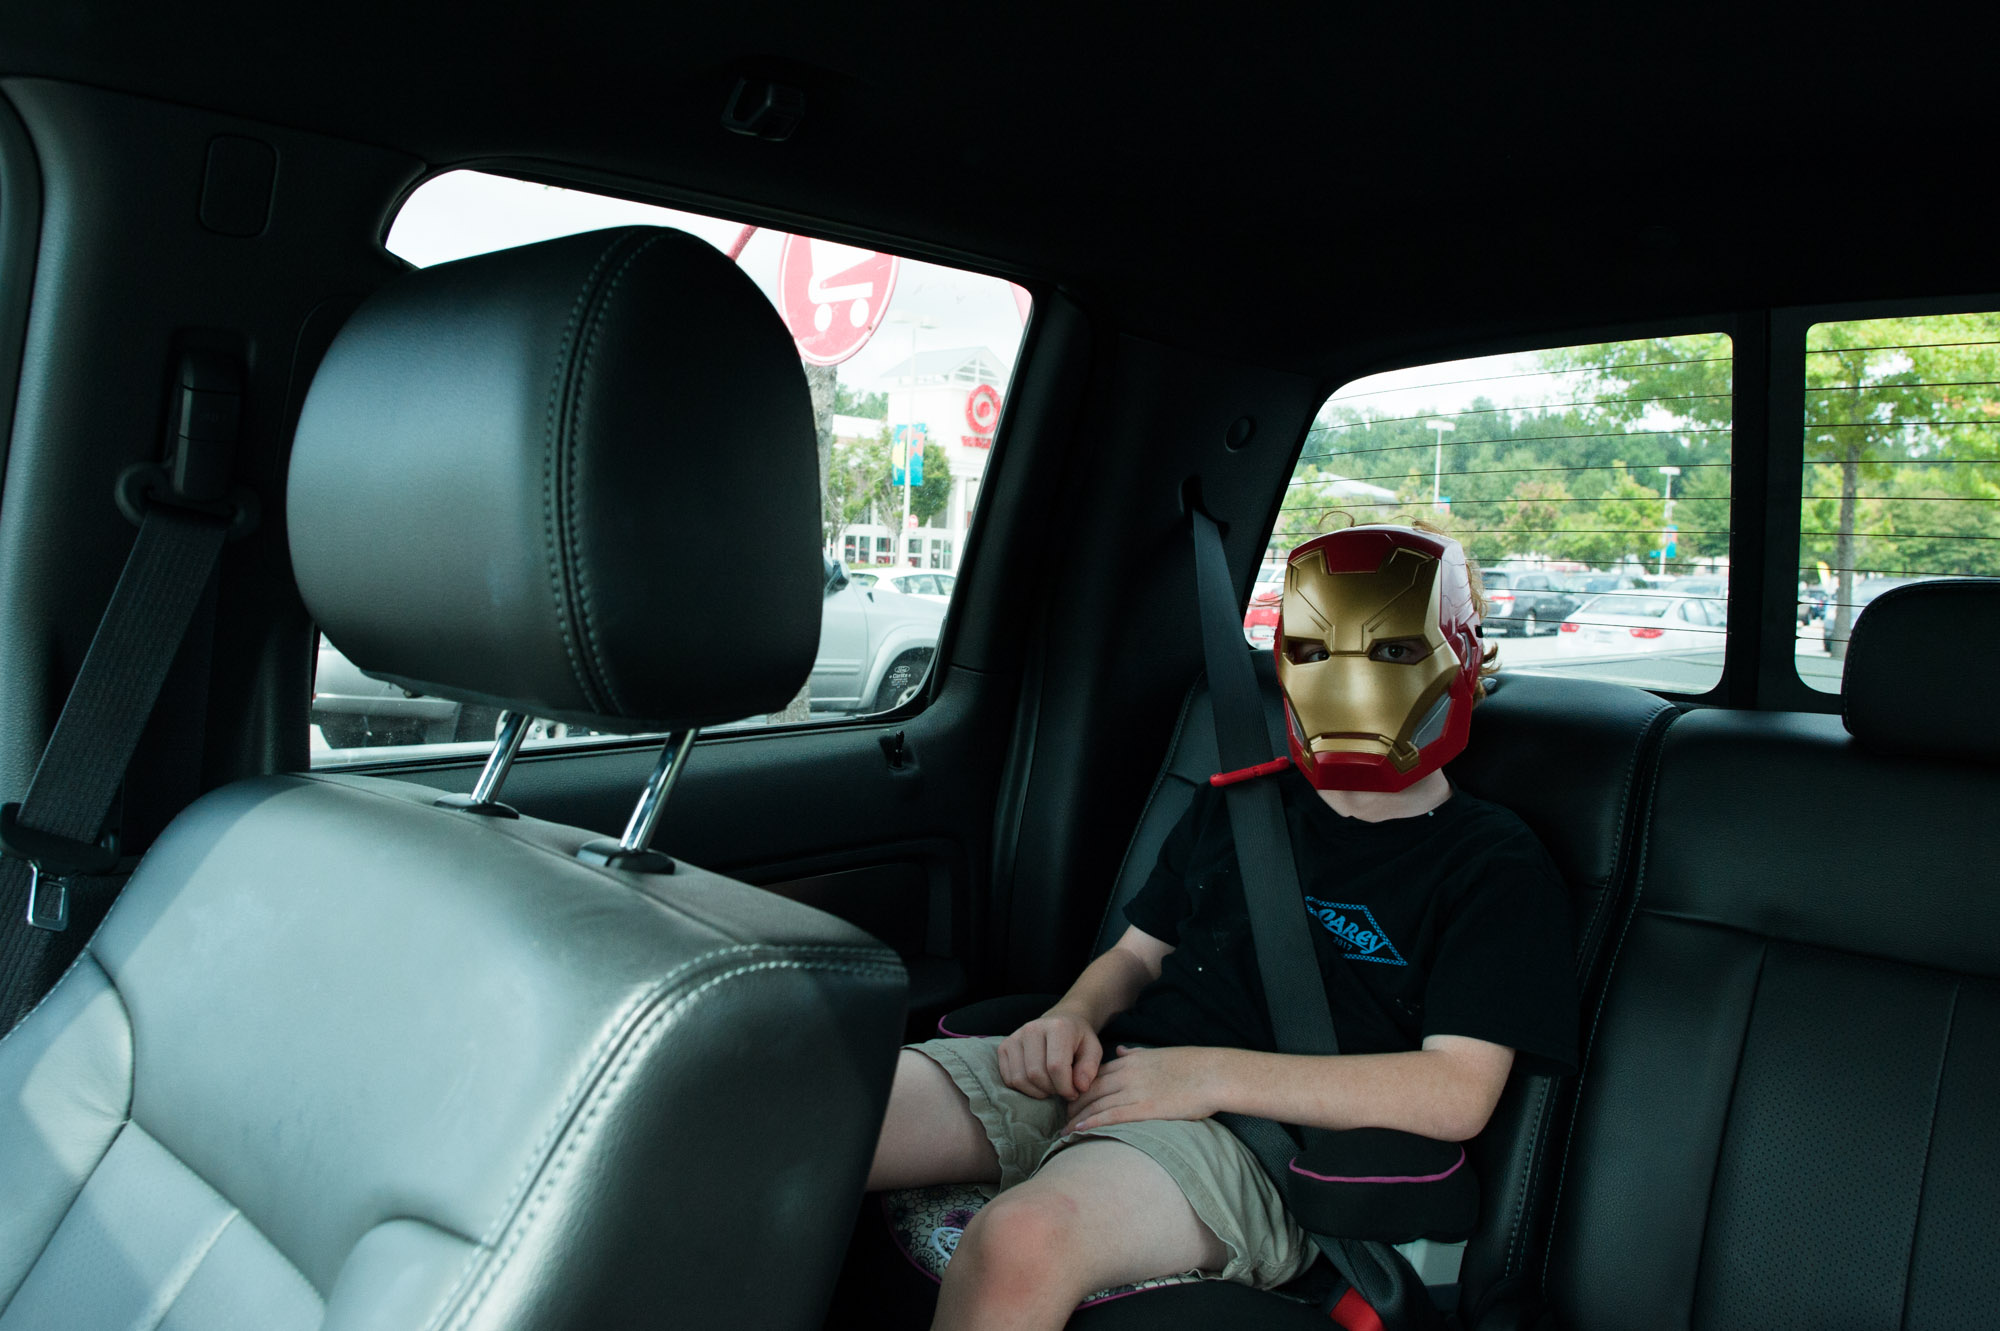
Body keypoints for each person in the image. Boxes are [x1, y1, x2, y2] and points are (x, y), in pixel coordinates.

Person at [867, 523, 1579, 1330]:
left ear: (1464, 655)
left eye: (1391, 651)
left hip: (1253, 1142)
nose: (1347, 678)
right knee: (822, 1109)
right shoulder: (1242, 802)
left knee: (1020, 1239)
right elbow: (1137, 955)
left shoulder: (1491, 863)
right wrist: (1070, 1014)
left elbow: (1455, 1091)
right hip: (1113, 1071)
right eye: (1313, 651)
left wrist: (1204, 1075)